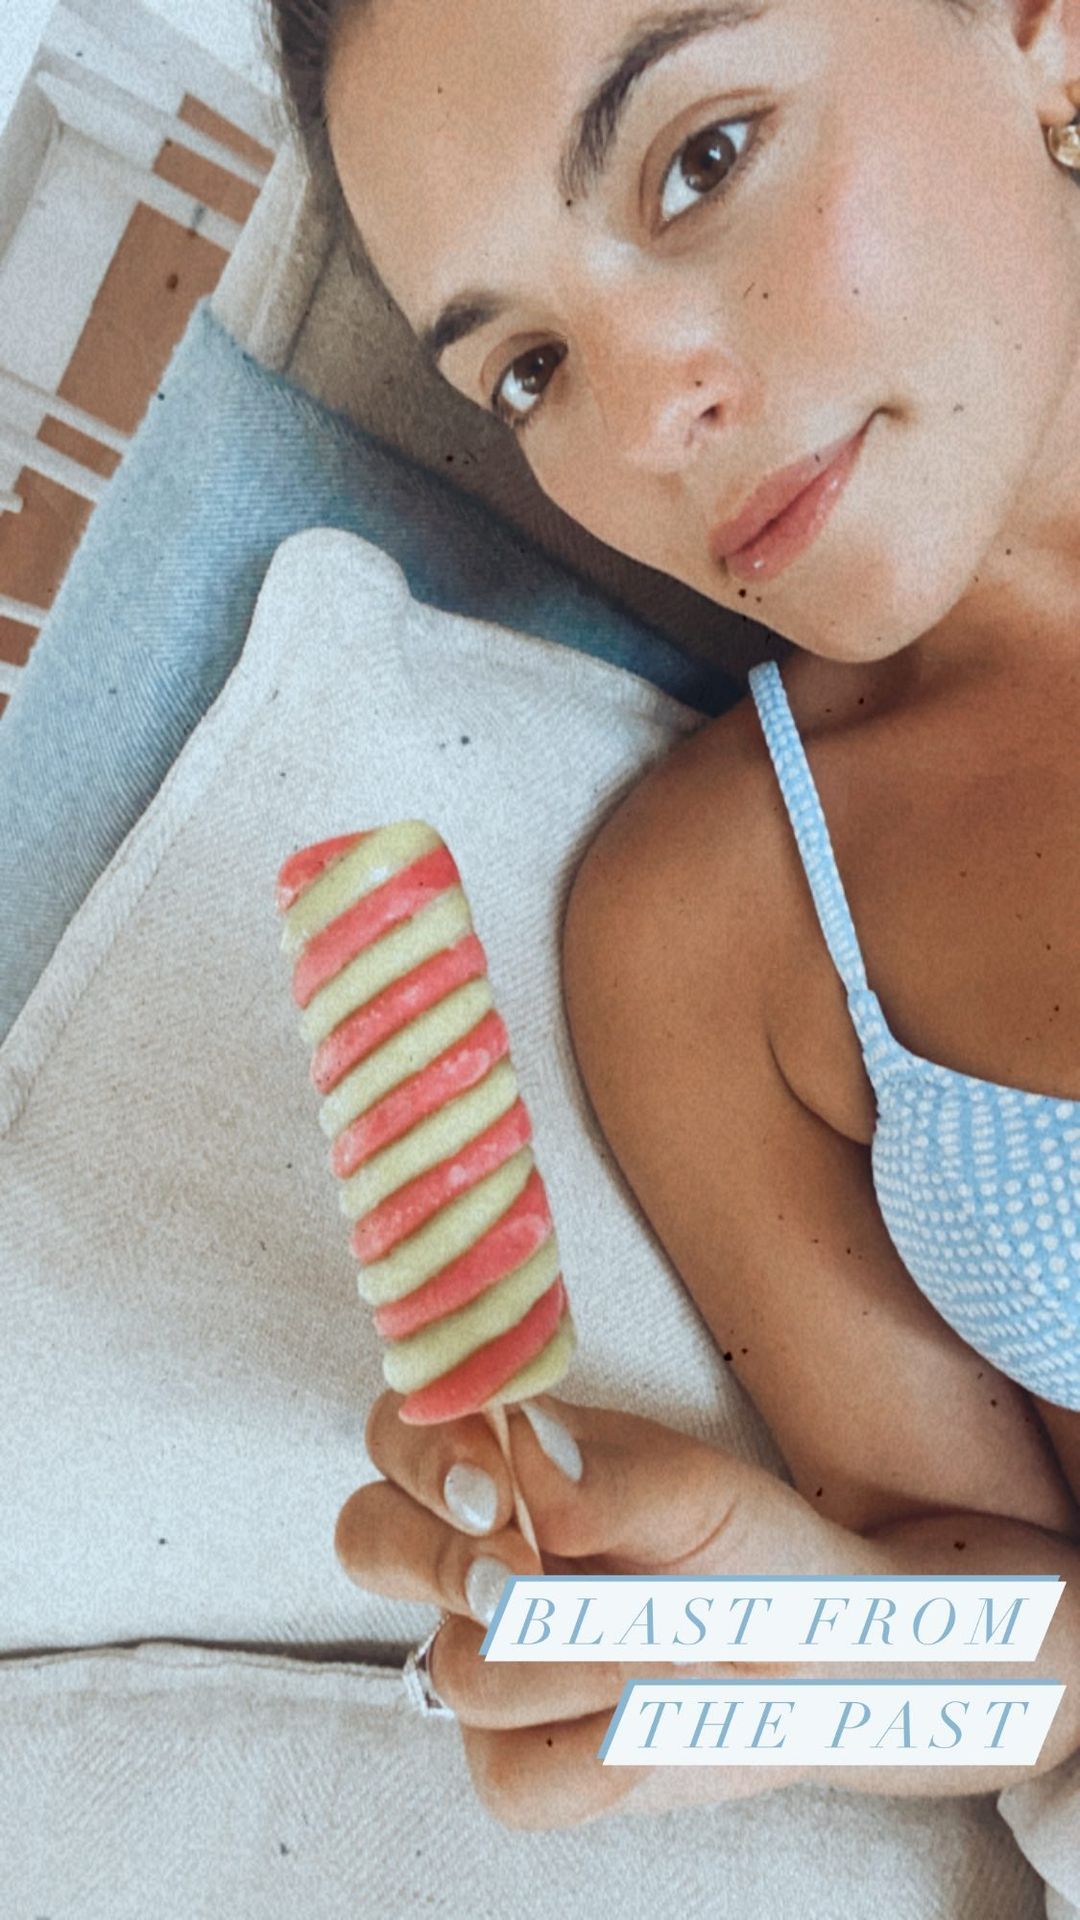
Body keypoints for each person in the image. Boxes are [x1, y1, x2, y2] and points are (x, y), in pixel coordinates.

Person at [270, 0, 1080, 1829]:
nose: (646, 420)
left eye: (700, 161)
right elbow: (1035, 1664)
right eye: (530, 369)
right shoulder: (720, 929)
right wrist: (800, 1653)